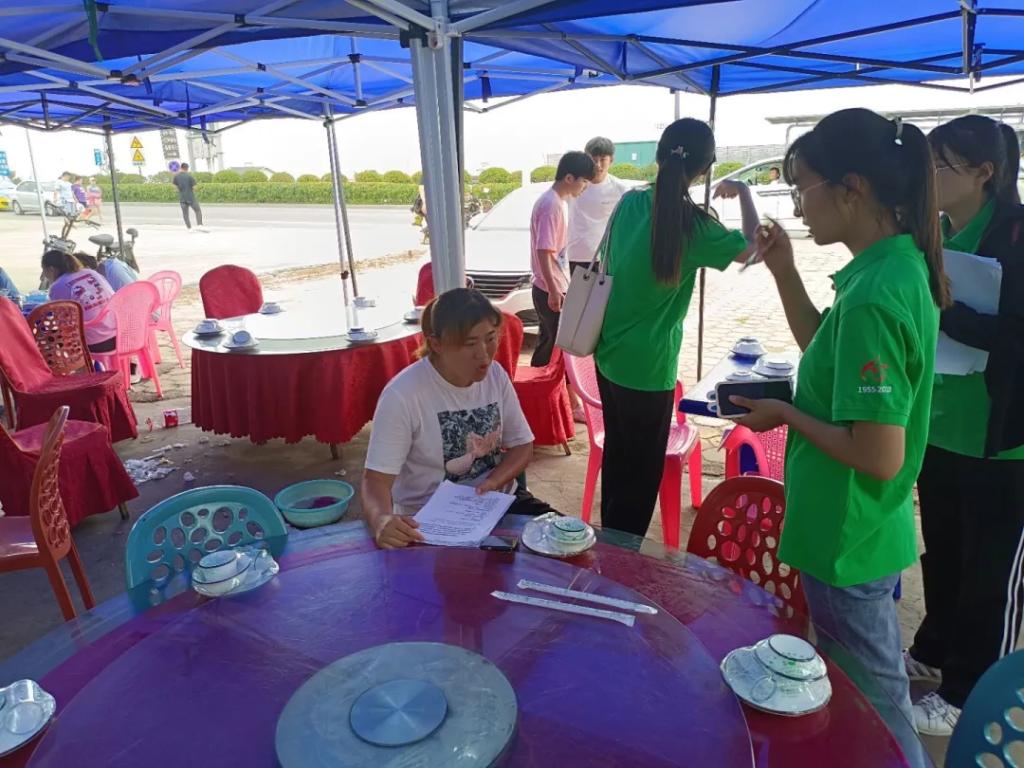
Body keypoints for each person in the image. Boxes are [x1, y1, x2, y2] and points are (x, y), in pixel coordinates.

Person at [730, 108, 947, 748]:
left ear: (852, 188)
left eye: (803, 187)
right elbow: (825, 353)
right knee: (860, 699)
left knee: (880, 714)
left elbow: (879, 455)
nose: (797, 206)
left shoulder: (876, 293)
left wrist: (785, 415)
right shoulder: (888, 270)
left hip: (848, 534)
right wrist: (784, 271)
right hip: (859, 526)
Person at [904, 115, 1024, 735]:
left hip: (1002, 441)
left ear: (984, 173)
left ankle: (970, 690)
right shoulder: (940, 232)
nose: (927, 176)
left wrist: (947, 309)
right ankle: (934, 651)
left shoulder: (1016, 234)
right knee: (945, 552)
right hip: (942, 424)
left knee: (990, 573)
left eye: (939, 165)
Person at [593, 118, 759, 538]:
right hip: (649, 368)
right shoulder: (696, 226)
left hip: (608, 355)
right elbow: (755, 248)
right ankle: (621, 557)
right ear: (705, 168)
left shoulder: (630, 203)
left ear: (658, 155)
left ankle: (611, 547)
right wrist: (744, 192)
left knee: (618, 461)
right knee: (640, 479)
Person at [362, 288, 558, 548]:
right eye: (470, 344)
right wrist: (382, 520)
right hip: (425, 519)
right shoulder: (403, 395)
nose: (484, 354)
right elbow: (376, 479)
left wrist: (493, 482)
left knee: (569, 542)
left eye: (490, 338)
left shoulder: (495, 375)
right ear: (436, 344)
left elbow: (522, 446)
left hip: (496, 503)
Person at [530, 150, 595, 367]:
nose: (584, 187)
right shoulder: (552, 205)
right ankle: (540, 383)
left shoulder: (555, 202)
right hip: (549, 287)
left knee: (550, 341)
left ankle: (547, 383)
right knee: (552, 345)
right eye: (584, 181)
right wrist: (553, 289)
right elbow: (544, 250)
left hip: (551, 285)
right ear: (569, 178)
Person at [565, 137, 630, 274]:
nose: (598, 165)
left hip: (607, 257)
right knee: (578, 290)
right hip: (576, 256)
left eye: (603, 159)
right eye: (593, 159)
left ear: (611, 160)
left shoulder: (621, 189)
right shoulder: (573, 184)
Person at [42, 249, 117, 353]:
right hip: (118, 334)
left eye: (44, 271)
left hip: (96, 342)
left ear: (51, 269)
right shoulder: (91, 272)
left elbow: (62, 322)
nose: (44, 275)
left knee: (47, 337)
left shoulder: (58, 286)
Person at [173, 163, 203, 230]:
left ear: (181, 167)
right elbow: (195, 188)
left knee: (185, 214)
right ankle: (199, 225)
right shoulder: (189, 176)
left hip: (182, 199)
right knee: (197, 210)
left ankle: (189, 228)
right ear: (187, 168)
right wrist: (194, 189)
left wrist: (180, 190)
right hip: (191, 198)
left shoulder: (176, 176)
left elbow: (175, 188)